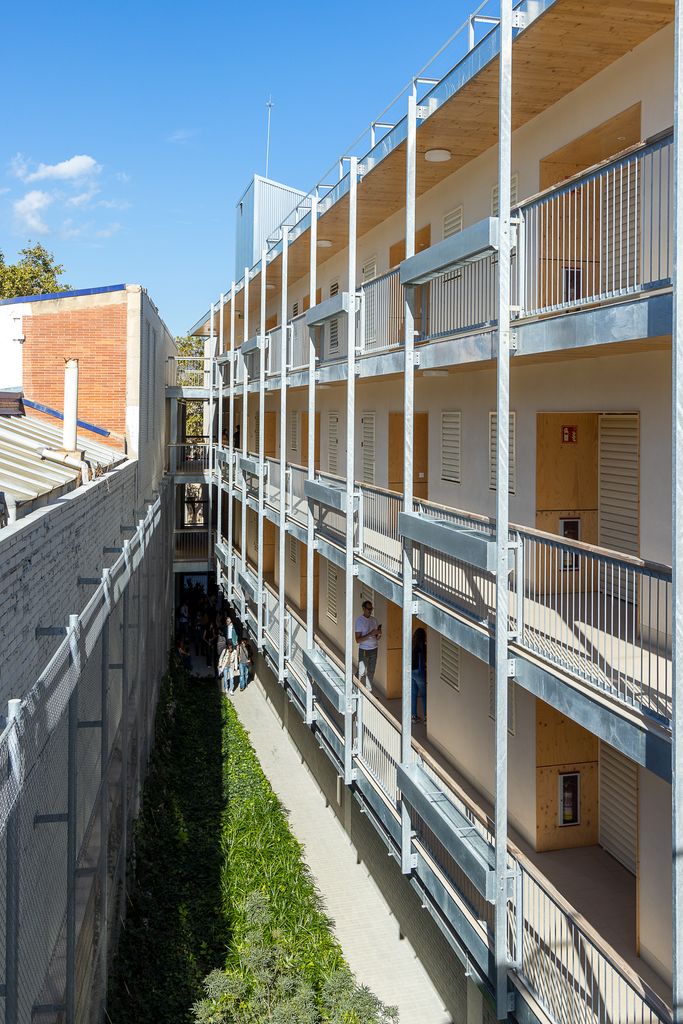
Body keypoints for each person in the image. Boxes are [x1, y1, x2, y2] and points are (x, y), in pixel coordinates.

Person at [354, 600, 381, 692]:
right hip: (364, 649)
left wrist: (378, 634)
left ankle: (368, 691)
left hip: (374, 648)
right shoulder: (359, 621)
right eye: (368, 609)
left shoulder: (374, 620)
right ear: (363, 609)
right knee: (361, 671)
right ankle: (354, 689)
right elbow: (358, 640)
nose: (370, 611)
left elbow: (377, 637)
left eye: (371, 609)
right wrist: (370, 634)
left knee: (371, 671)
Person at [411, 627, 427, 723]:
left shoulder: (412, 645)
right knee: (424, 695)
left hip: (411, 672)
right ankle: (426, 717)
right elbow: (424, 660)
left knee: (413, 694)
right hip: (419, 672)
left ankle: (413, 716)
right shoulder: (422, 647)